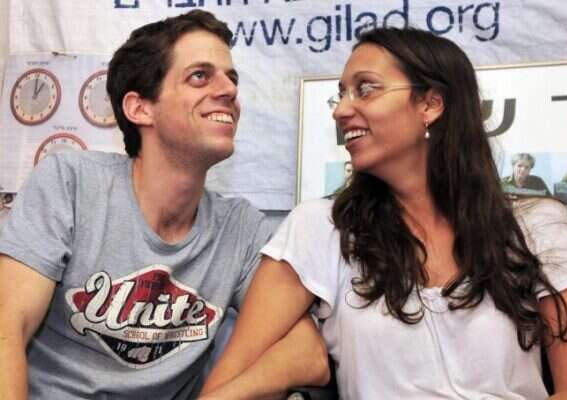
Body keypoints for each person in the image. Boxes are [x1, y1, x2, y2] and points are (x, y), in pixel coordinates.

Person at [203, 27, 567, 399]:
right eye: (341, 95)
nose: (341, 110)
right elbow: (227, 383)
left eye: (365, 89)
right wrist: (296, 363)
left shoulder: (540, 226)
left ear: (430, 104)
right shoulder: (320, 229)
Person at [0, 10, 328, 400]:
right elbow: (8, 327)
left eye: (232, 78)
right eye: (200, 76)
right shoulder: (70, 183)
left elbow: (309, 356)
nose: (228, 90)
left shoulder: (240, 229)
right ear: (140, 108)